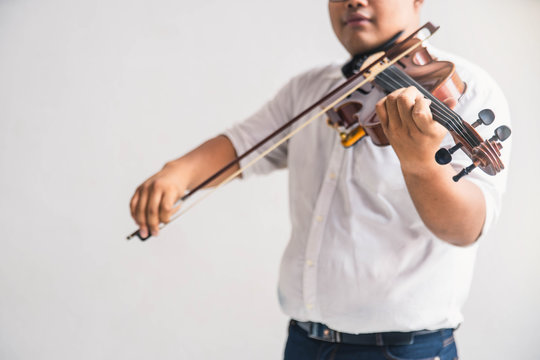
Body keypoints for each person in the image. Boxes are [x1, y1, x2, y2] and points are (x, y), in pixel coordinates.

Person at [129, 0, 511, 359]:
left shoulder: (466, 91)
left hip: (406, 350)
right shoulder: (313, 89)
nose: (353, 0)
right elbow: (242, 145)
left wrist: (422, 166)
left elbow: (468, 227)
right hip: (304, 342)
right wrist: (176, 173)